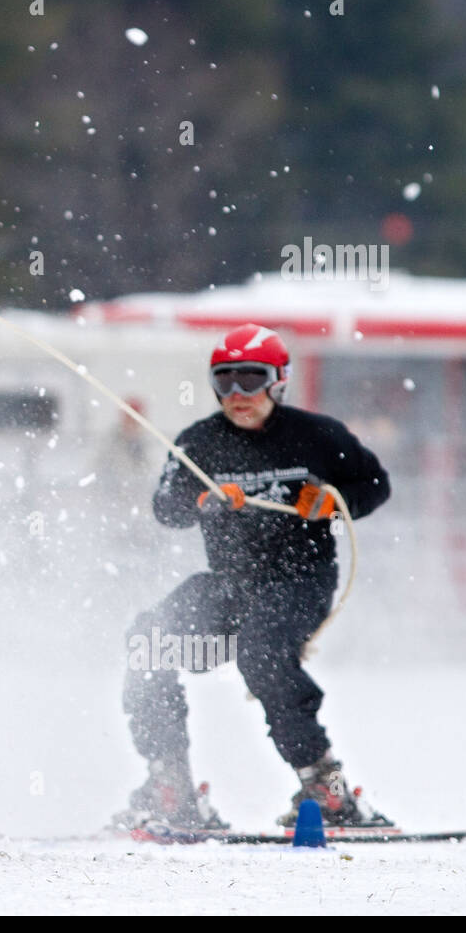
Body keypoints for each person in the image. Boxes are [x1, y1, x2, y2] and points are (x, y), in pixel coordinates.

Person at [114, 323, 392, 829]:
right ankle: (169, 784)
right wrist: (202, 499)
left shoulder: (318, 435)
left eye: (252, 379)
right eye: (225, 381)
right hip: (229, 584)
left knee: (261, 653)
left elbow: (375, 485)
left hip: (298, 579)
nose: (239, 395)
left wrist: (334, 501)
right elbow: (166, 508)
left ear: (279, 381)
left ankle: (324, 787)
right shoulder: (198, 442)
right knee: (147, 641)